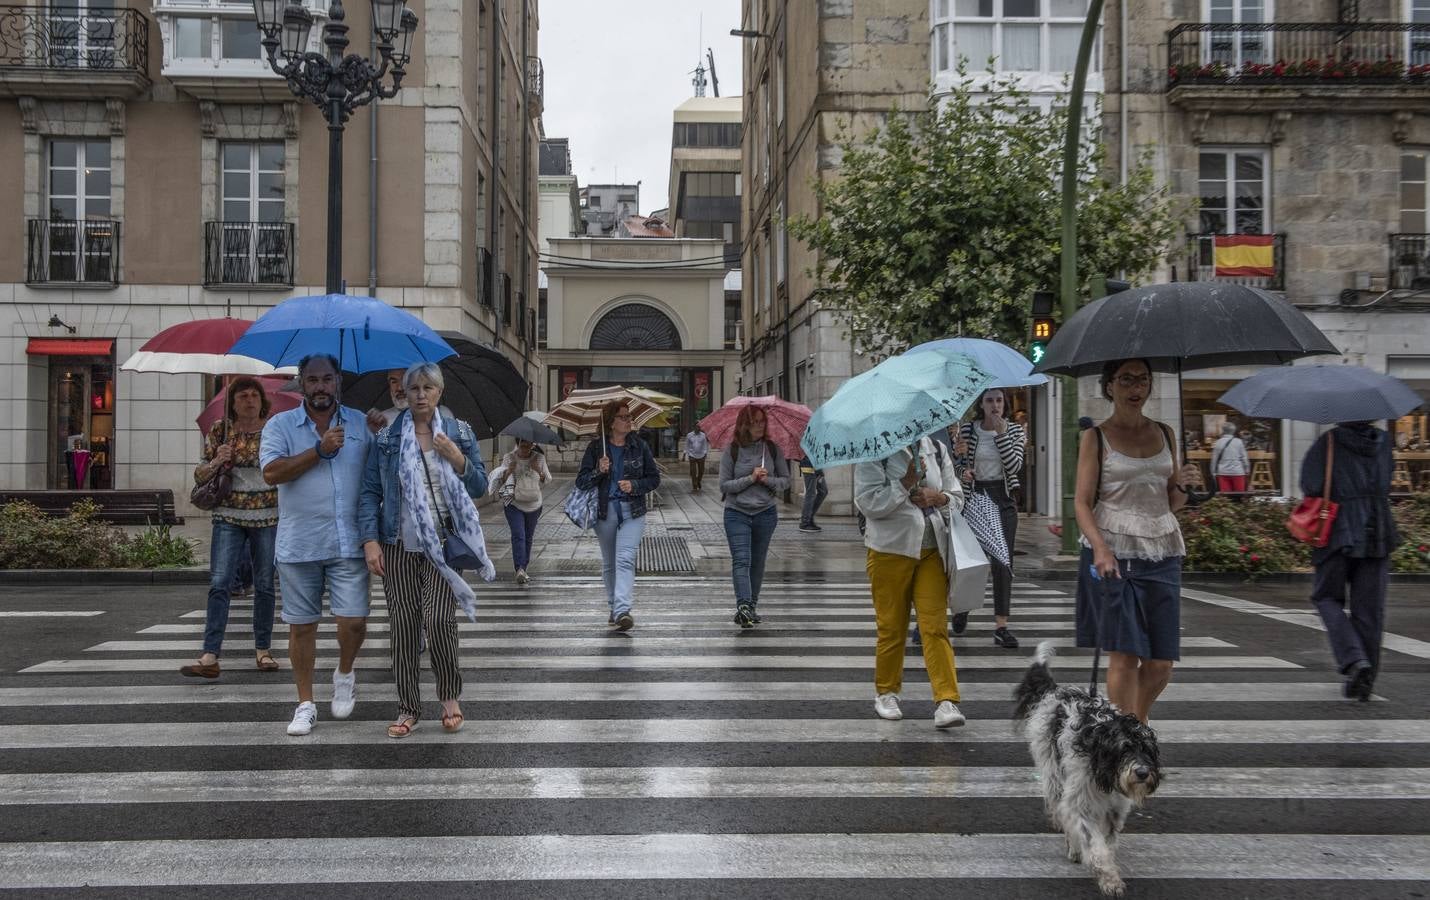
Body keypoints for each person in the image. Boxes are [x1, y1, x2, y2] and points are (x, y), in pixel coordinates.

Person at [359, 362, 492, 738]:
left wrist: (458, 458)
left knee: (438, 621)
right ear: (404, 392)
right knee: (403, 626)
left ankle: (449, 697)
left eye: (427, 388)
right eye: (412, 388)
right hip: (398, 543)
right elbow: (370, 491)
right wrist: (370, 540)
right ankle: (408, 707)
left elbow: (480, 486)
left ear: (439, 392)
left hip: (443, 544)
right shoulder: (387, 438)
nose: (419, 394)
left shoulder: (459, 432)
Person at [1074, 358, 1199, 724]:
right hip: (1113, 553)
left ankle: (1133, 727)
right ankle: (1129, 740)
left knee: (1161, 663)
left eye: (1143, 380)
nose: (1136, 388)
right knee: (1125, 655)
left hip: (1161, 548)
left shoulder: (1165, 432)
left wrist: (1184, 485)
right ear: (1109, 385)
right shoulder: (1095, 437)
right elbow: (1082, 502)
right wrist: (1099, 547)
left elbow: (1172, 501)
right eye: (1127, 380)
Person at [260, 354, 375, 737]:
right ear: (301, 383)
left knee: (354, 622)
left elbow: (378, 473)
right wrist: (319, 451)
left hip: (350, 541)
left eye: (327, 379)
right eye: (313, 380)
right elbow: (272, 472)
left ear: (338, 381)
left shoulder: (360, 423)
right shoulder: (280, 425)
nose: (320, 387)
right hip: (300, 541)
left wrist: (383, 429)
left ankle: (345, 672)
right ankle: (305, 703)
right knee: (301, 626)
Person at [854, 435, 968, 729]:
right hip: (890, 549)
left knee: (934, 626)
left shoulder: (937, 449)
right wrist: (903, 484)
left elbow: (956, 496)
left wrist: (938, 497)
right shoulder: (874, 451)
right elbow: (868, 503)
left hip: (932, 549)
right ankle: (887, 693)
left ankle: (946, 699)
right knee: (892, 627)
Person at [180, 377, 279, 679]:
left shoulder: (274, 429)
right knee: (220, 581)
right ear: (233, 402)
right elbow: (199, 474)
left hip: (267, 514)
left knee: (264, 583)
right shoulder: (220, 430)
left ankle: (263, 650)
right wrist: (217, 462)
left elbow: (282, 467)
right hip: (228, 514)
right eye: (242, 396)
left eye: (253, 395)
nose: (249, 400)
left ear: (262, 401)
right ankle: (210, 654)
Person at [1300, 421, 1400, 701]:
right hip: (1379, 530)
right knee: (1370, 611)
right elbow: (1387, 480)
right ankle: (1365, 681)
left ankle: (1354, 660)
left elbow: (1311, 483)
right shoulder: (1383, 443)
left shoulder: (1329, 442)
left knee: (1325, 597)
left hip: (1338, 529)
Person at [575, 401, 661, 631]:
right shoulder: (596, 448)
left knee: (625, 559)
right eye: (623, 417)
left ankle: (623, 609)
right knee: (610, 563)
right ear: (610, 422)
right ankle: (613, 608)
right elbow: (581, 481)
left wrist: (634, 485)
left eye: (629, 416)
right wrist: (598, 471)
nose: (628, 420)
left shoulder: (639, 446)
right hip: (605, 511)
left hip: (632, 511)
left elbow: (654, 479)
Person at [952, 388, 1026, 648]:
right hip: (976, 496)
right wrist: (964, 470)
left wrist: (999, 433)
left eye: (998, 400)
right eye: (989, 401)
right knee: (972, 560)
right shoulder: (969, 430)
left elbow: (1014, 465)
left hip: (1003, 498)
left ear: (1004, 404)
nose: (994, 405)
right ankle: (962, 609)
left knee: (1002, 562)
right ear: (981, 405)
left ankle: (1001, 626)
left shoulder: (1015, 431)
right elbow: (957, 463)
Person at [720, 407, 791, 627]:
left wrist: (767, 480)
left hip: (765, 513)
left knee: (757, 563)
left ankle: (751, 607)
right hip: (736, 513)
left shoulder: (772, 449)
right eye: (755, 422)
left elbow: (785, 481)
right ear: (744, 425)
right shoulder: (731, 450)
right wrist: (751, 478)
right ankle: (743, 605)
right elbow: (724, 485)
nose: (760, 425)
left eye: (762, 421)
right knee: (742, 560)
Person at [492, 438, 551, 585]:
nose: (525, 447)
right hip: (514, 503)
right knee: (519, 534)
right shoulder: (509, 457)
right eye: (522, 443)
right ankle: (519, 568)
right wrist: (509, 471)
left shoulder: (539, 458)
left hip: (534, 504)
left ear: (533, 444)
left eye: (528, 444)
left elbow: (548, 479)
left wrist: (538, 470)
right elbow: (501, 480)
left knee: (528, 537)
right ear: (517, 443)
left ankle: (523, 568)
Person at [1211, 422, 1250, 494]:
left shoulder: (1218, 442)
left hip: (1223, 472)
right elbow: (1244, 458)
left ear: (1223, 430)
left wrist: (1213, 472)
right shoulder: (1239, 442)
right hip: (1238, 472)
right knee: (1239, 496)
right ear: (1234, 431)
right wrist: (1247, 470)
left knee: (1226, 497)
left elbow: (1214, 459)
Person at [797, 454, 828, 533]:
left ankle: (809, 517)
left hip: (816, 465)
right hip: (809, 465)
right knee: (811, 493)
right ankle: (805, 522)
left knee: (823, 491)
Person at [684, 423, 710, 493]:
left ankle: (698, 481)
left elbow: (705, 445)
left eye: (699, 427)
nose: (698, 428)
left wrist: (705, 453)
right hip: (692, 455)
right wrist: (686, 454)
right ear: (694, 427)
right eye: (697, 427)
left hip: (701, 455)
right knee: (693, 471)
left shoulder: (703, 435)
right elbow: (687, 445)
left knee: (701, 471)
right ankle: (694, 485)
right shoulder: (689, 435)